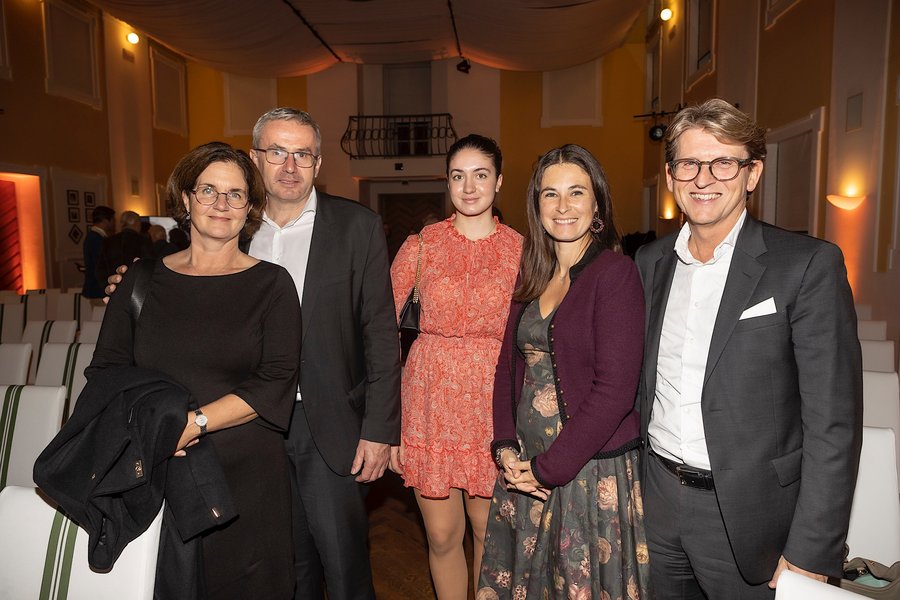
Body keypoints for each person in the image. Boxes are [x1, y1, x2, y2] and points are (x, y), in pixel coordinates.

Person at [105, 108, 401, 600]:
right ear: (254, 157)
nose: (289, 166)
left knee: (343, 562)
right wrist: (128, 285)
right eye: (277, 152)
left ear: (318, 162)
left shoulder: (357, 227)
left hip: (323, 420)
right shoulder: (230, 221)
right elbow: (177, 288)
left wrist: (379, 430)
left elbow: (380, 334)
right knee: (276, 560)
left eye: (302, 154)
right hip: (240, 425)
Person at [634, 98, 863, 598]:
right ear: (671, 177)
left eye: (723, 162)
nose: (703, 178)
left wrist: (811, 549)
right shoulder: (649, 263)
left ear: (752, 173)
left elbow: (833, 423)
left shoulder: (805, 265)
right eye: (689, 163)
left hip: (751, 517)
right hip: (656, 502)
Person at [88, 142, 302, 598]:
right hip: (156, 470)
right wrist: (155, 430)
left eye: (235, 194)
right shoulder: (139, 281)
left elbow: (276, 380)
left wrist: (192, 424)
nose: (221, 205)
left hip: (245, 478)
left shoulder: (272, 284)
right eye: (208, 190)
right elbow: (107, 371)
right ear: (185, 200)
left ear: (250, 209)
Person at [478, 145, 650, 599]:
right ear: (536, 205)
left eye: (577, 192)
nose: (563, 206)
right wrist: (505, 447)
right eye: (550, 194)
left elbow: (615, 391)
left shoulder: (615, 274)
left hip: (586, 471)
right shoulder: (533, 273)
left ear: (597, 204)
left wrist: (548, 469)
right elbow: (507, 366)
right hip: (525, 467)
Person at [389, 134, 522, 599]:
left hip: (492, 403)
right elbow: (379, 329)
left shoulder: (522, 251)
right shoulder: (421, 245)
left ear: (499, 182)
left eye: (480, 175)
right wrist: (384, 423)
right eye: (458, 176)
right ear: (447, 182)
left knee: (490, 531)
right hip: (429, 401)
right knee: (443, 535)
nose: (468, 187)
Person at [96, 209, 153, 282]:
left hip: (113, 285)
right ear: (136, 223)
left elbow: (100, 269)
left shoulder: (108, 241)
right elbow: (149, 265)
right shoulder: (143, 241)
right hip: (136, 287)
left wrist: (107, 285)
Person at [82, 205, 115, 298]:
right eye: (112, 220)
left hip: (95, 288)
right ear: (105, 221)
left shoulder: (93, 237)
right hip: (97, 289)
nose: (114, 223)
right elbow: (101, 266)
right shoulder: (97, 239)